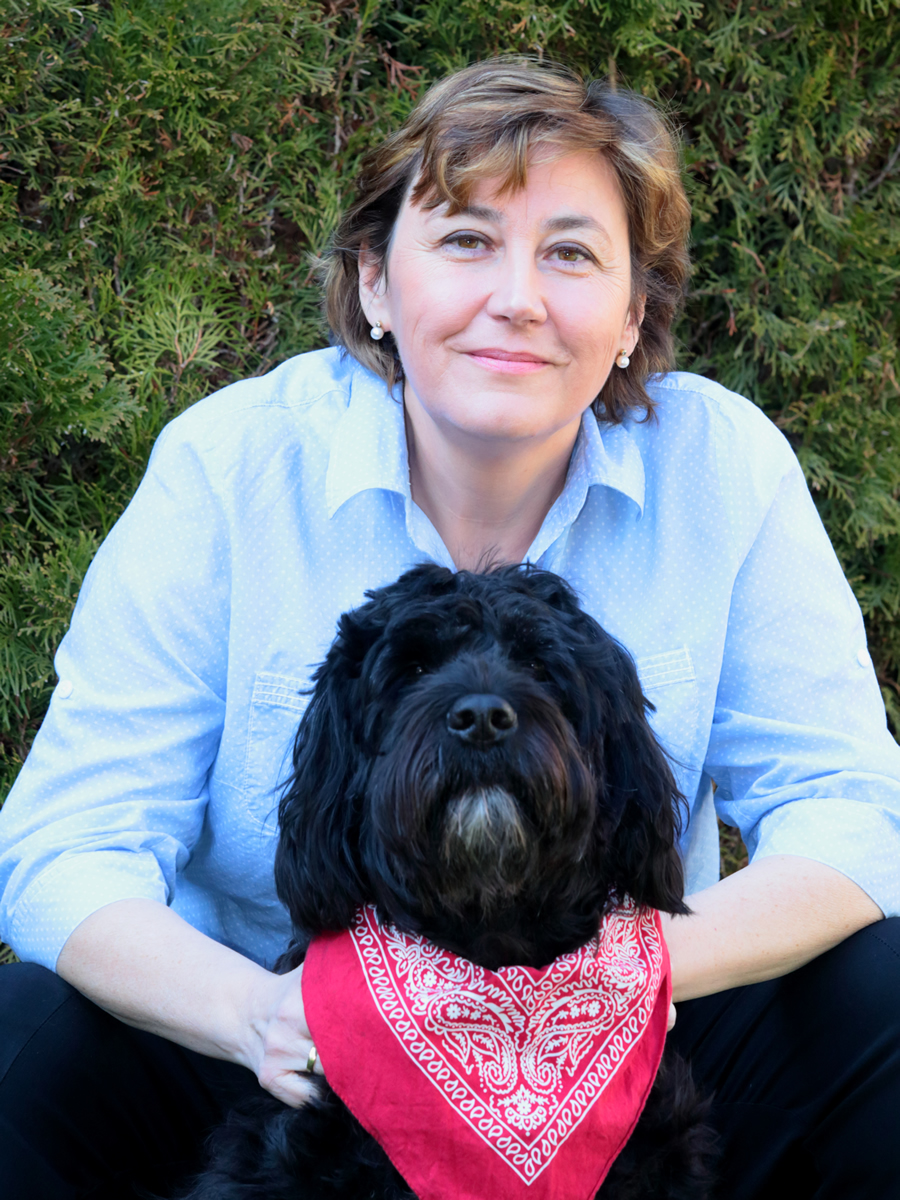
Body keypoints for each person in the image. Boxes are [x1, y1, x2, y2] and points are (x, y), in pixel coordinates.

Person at [0, 57, 898, 1200]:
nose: (517, 297)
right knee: (18, 1041)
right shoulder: (231, 470)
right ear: (375, 282)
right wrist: (259, 1015)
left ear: (632, 314)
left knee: (885, 996)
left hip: (639, 1031)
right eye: (468, 240)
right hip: (277, 1044)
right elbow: (66, 847)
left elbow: (854, 811)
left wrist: (638, 973)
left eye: (570, 253)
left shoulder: (721, 468)